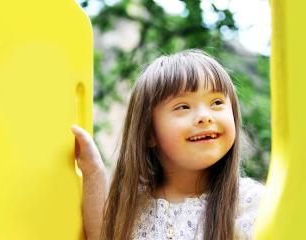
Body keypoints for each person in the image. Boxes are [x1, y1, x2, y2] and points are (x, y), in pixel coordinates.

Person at [71, 49, 265, 240]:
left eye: (216, 102)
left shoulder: (250, 203)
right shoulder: (132, 206)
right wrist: (93, 172)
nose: (205, 117)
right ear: (149, 133)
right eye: (183, 107)